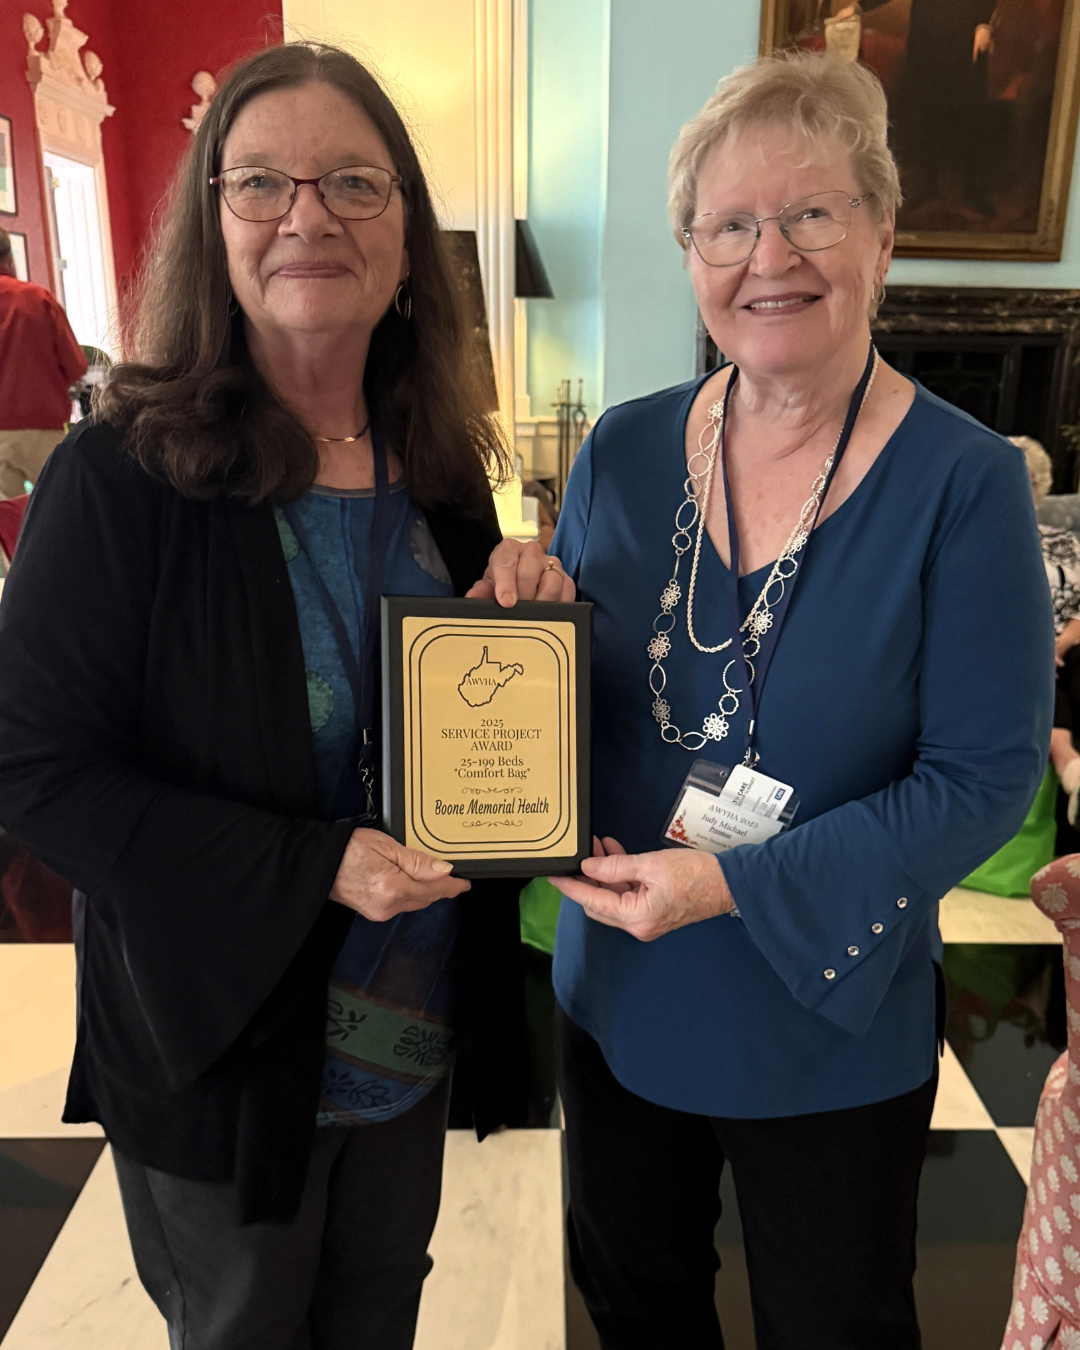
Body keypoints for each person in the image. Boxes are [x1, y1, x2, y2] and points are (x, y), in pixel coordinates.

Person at [470, 51, 1052, 1348]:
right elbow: (583, 685)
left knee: (832, 1321)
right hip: (617, 982)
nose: (767, 254)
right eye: (728, 223)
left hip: (820, 1013)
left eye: (811, 212)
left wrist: (726, 884)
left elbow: (982, 780)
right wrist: (518, 612)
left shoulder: (964, 485)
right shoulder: (623, 445)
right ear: (689, 249)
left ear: (884, 234)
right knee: (636, 1302)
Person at [0, 42, 530, 1350]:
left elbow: (465, 730)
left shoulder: (444, 474)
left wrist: (526, 631)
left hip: (409, 1035)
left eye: (354, 182)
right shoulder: (120, 479)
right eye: (262, 184)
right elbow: (34, 773)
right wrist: (316, 866)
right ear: (212, 222)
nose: (309, 215)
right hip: (220, 1044)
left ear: (408, 235)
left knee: (375, 1325)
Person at [1017, 434, 1080, 823]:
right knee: (1036, 678)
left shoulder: (1065, 542)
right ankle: (1072, 771)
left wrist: (1064, 640)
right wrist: (1039, 648)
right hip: (1016, 647)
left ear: (1038, 488)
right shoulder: (980, 540)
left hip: (1068, 642)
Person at [0, 226, 87, 498]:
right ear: (10, 258)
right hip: (41, 426)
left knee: (6, 524)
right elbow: (76, 365)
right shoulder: (38, 299)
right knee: (63, 507)